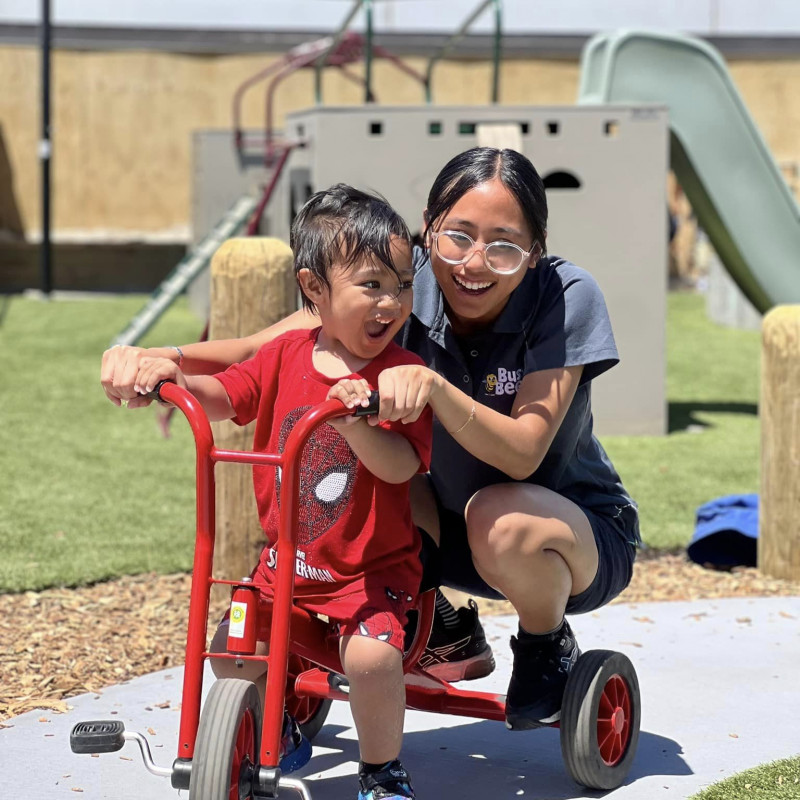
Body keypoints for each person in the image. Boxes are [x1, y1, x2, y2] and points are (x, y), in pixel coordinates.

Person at [103, 147, 640, 734]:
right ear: (429, 229)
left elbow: (522, 451)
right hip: (444, 526)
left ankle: (545, 642)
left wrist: (433, 388)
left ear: (533, 255)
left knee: (498, 515)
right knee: (375, 484)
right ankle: (430, 625)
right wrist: (159, 359)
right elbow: (262, 350)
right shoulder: (404, 285)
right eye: (457, 236)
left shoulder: (565, 295)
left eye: (504, 245)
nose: (474, 263)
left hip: (567, 535)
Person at [133, 184, 432, 800]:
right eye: (372, 285)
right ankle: (277, 722)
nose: (392, 303)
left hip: (368, 569)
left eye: (402, 285)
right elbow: (227, 395)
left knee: (372, 660)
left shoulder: (399, 375)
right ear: (315, 290)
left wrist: (359, 420)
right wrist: (175, 376)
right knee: (232, 649)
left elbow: (403, 468)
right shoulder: (284, 354)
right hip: (284, 562)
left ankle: (381, 769)